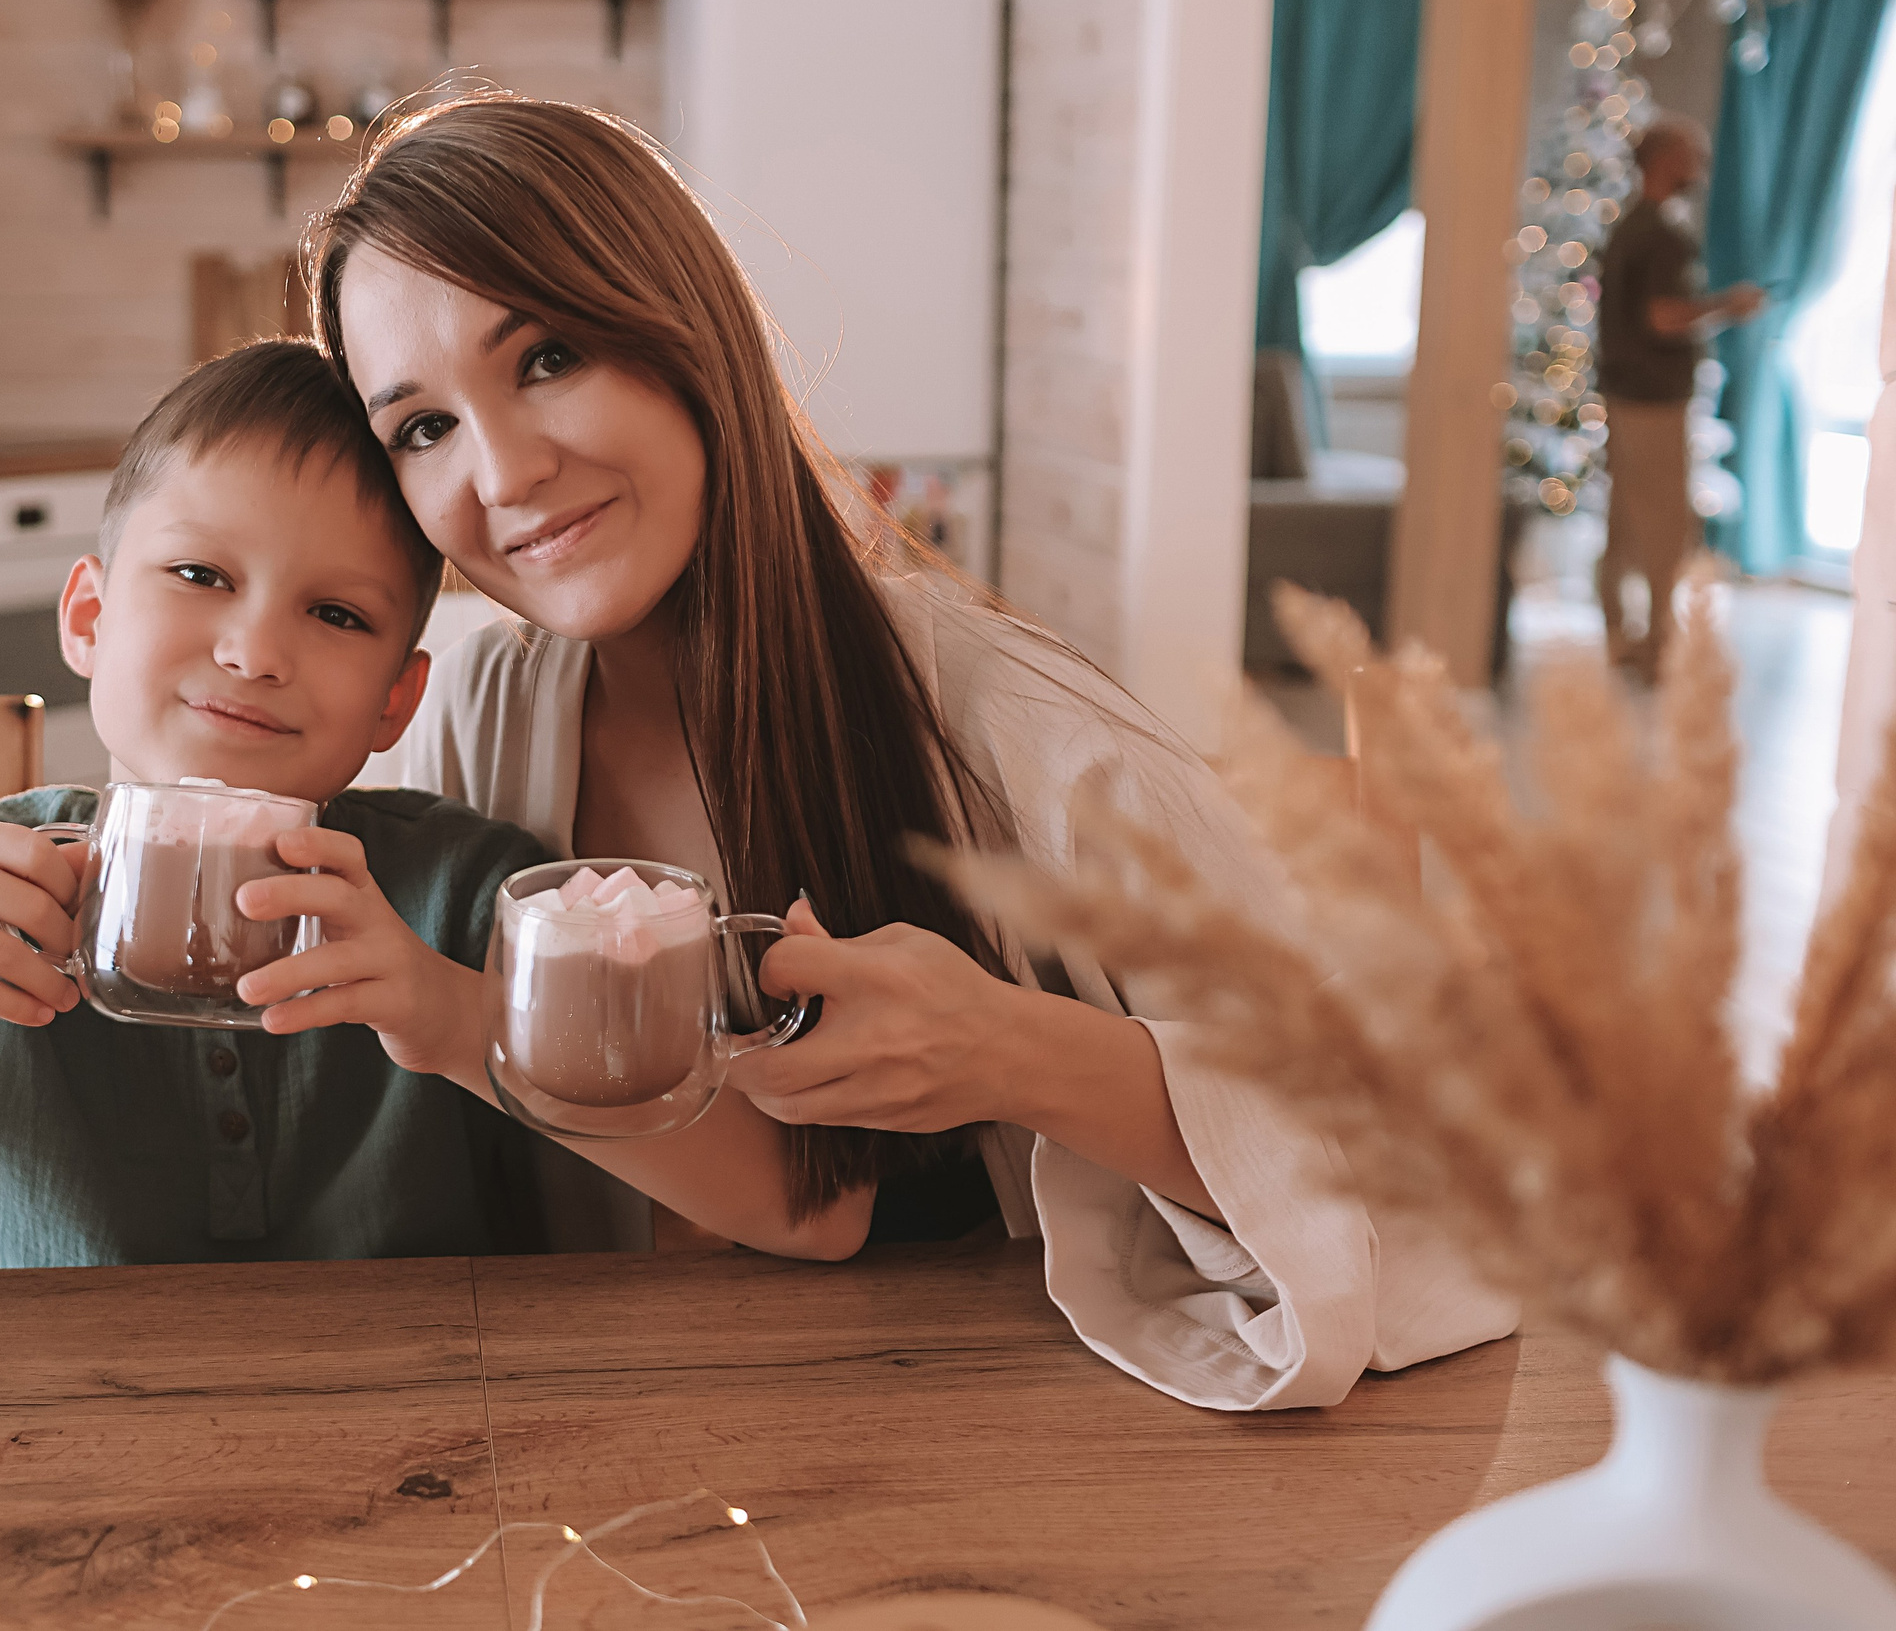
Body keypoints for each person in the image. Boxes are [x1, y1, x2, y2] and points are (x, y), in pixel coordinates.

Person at [307, 93, 1519, 1410]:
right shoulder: (473, 713)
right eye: (422, 425)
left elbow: (1426, 1176)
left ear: (687, 330)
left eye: (545, 357)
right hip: (596, 1443)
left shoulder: (1014, 732)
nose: (505, 469)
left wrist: (1012, 1049)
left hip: (1000, 1472)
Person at [0, 340, 868, 1298]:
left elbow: (807, 1212)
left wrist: (455, 1018)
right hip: (59, 1502)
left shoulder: (463, 898)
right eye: (200, 573)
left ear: (396, 697)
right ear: (89, 614)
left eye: (333, 614)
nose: (254, 650)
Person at [1595, 115, 1766, 678]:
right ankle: (1660, 647)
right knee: (1665, 523)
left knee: (1624, 519)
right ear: (1666, 161)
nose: (1701, 167)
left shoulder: (1629, 228)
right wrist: (1727, 306)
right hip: (1651, 398)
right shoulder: (1664, 237)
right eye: (1693, 155)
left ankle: (1620, 636)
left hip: (1624, 392)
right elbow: (1663, 317)